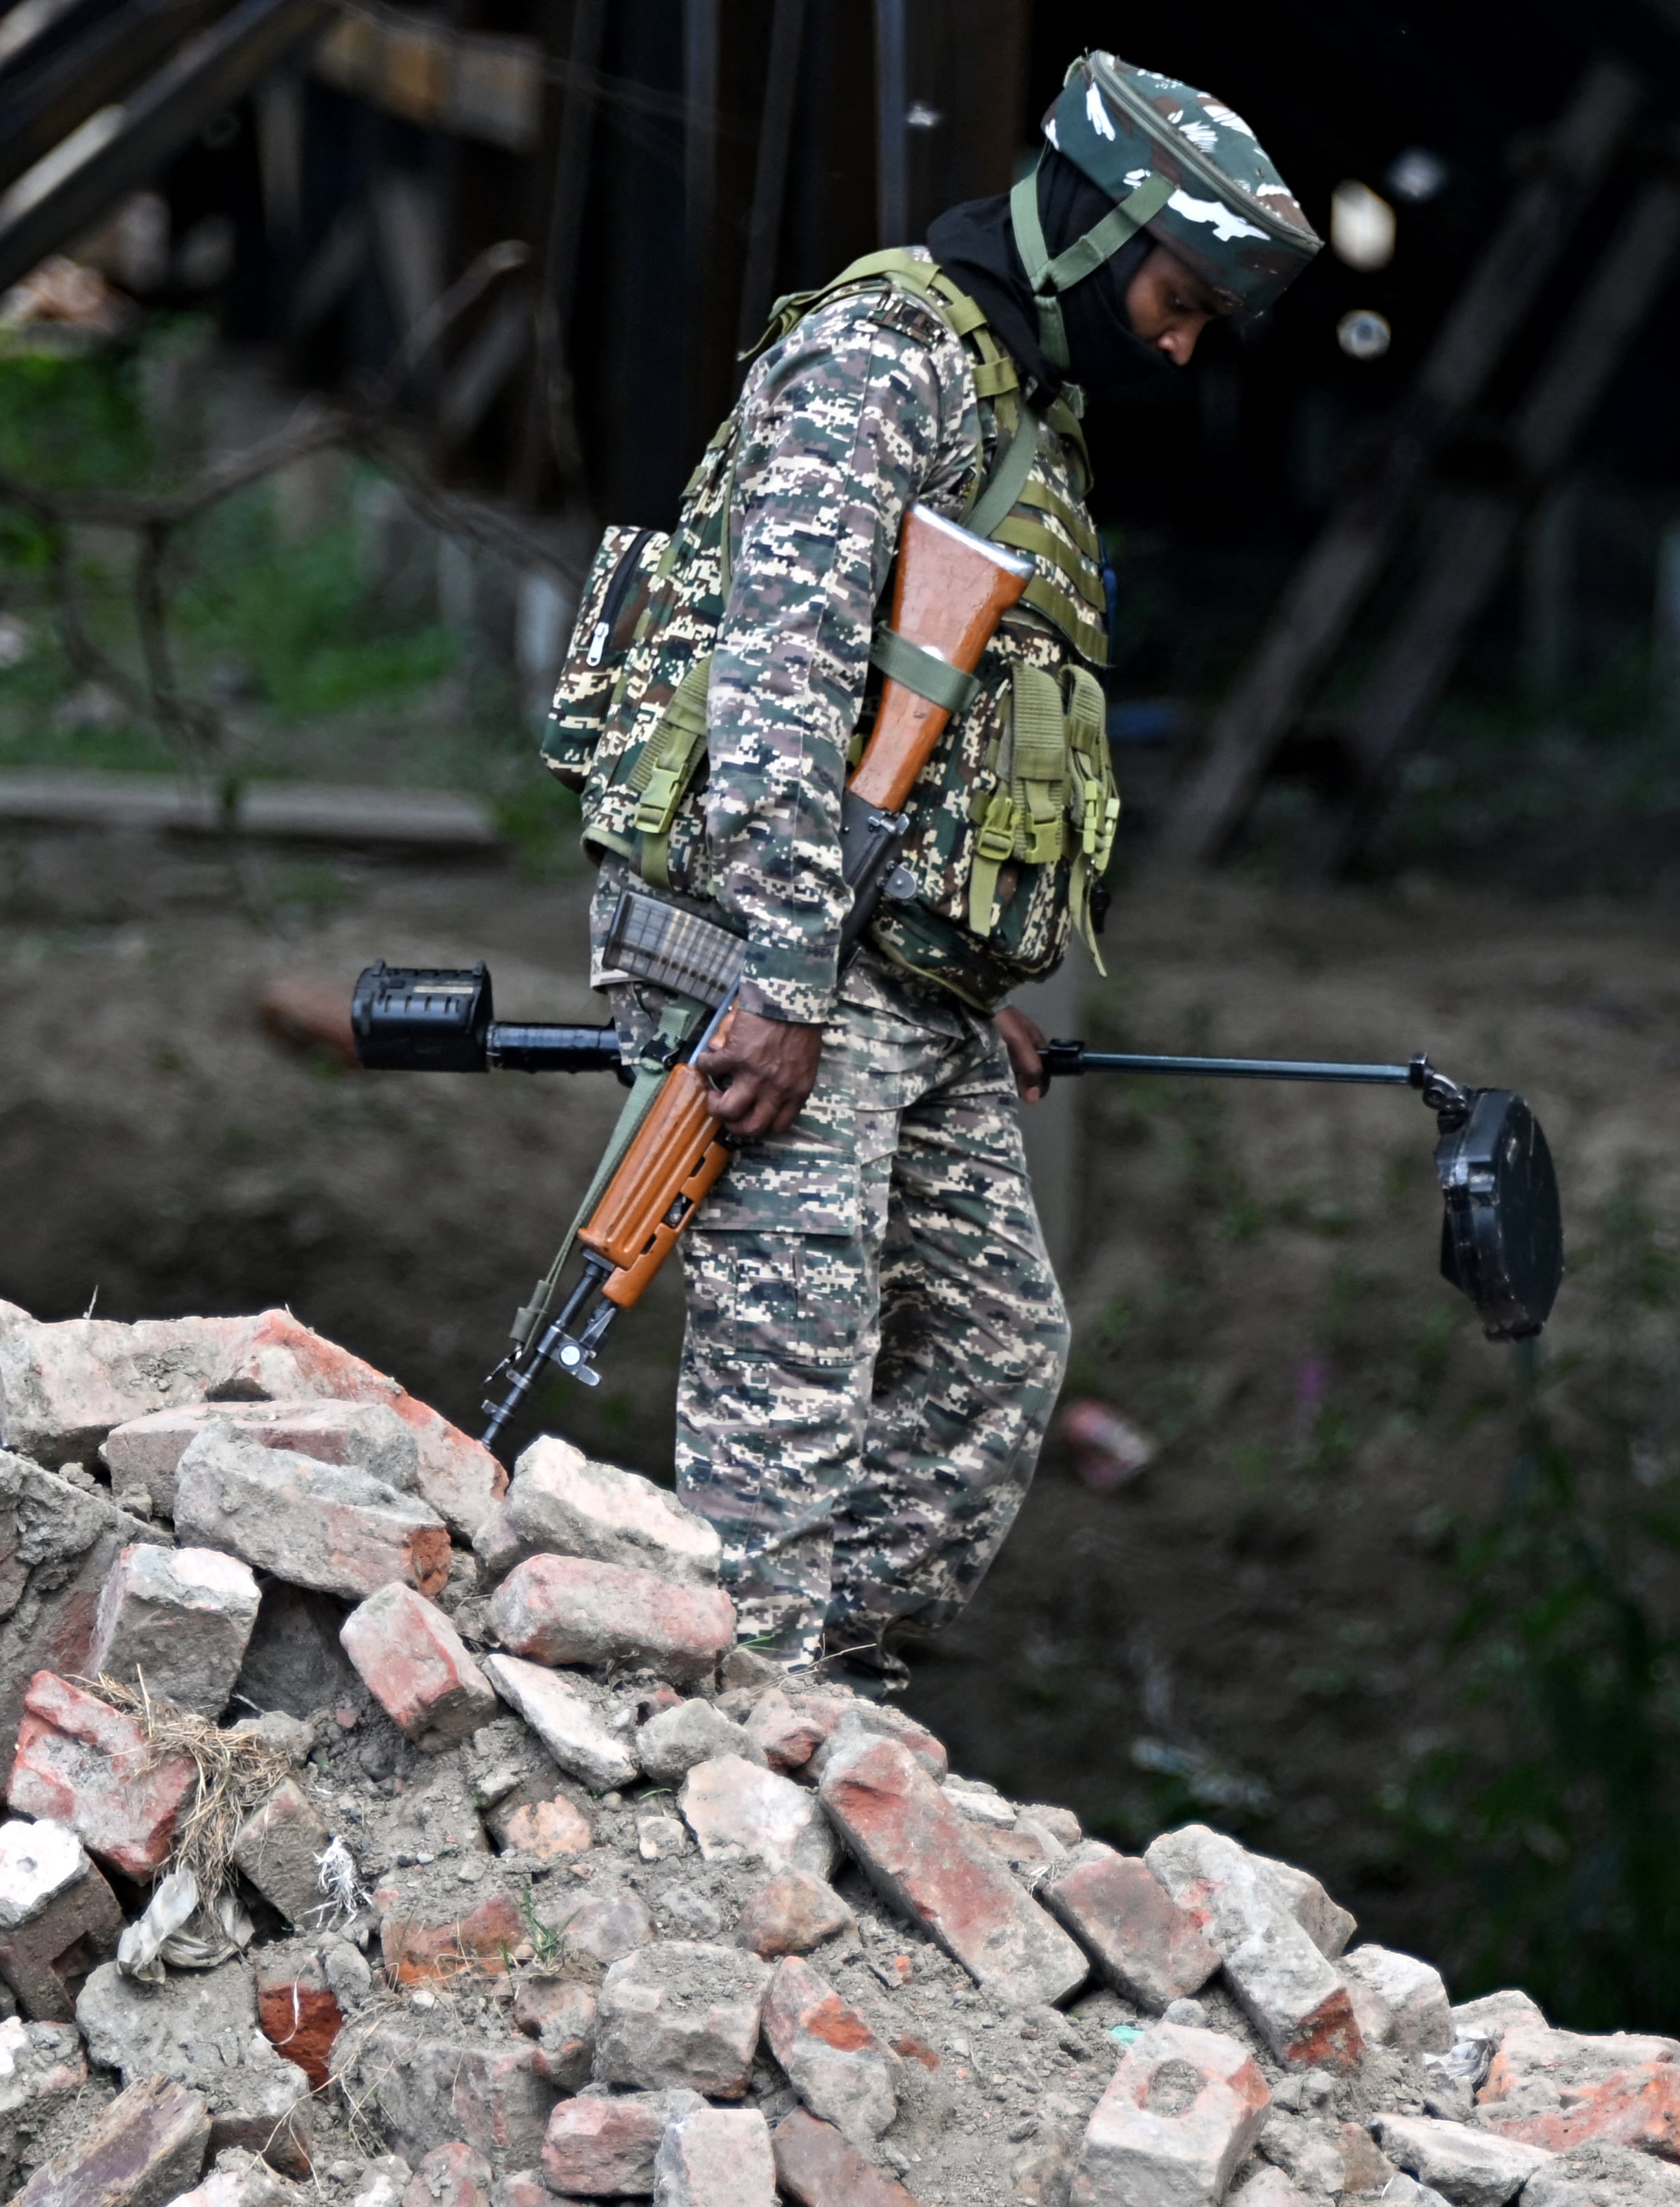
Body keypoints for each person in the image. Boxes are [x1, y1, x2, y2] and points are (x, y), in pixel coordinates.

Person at [550, 53, 1320, 1676]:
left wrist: (961, 968)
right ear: (1097, 234)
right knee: (786, 1408)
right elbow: (777, 683)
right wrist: (781, 984)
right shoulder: (881, 357)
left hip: (892, 982)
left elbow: (947, 728)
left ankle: (816, 1712)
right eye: (1176, 302)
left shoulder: (1018, 402)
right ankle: (732, 1721)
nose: (1179, 347)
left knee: (990, 1356)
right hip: (775, 965)